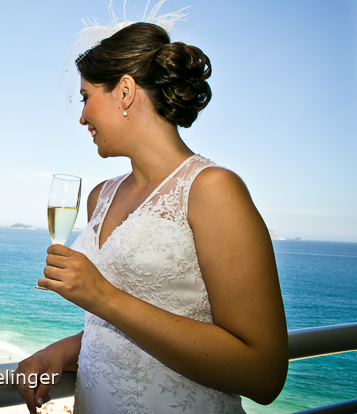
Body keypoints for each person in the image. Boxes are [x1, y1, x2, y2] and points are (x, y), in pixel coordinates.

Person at [15, 21, 288, 413]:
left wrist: (103, 297)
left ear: (124, 91)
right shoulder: (100, 197)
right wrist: (61, 352)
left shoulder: (212, 190)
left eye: (85, 97)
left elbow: (264, 375)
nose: (82, 117)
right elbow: (120, 330)